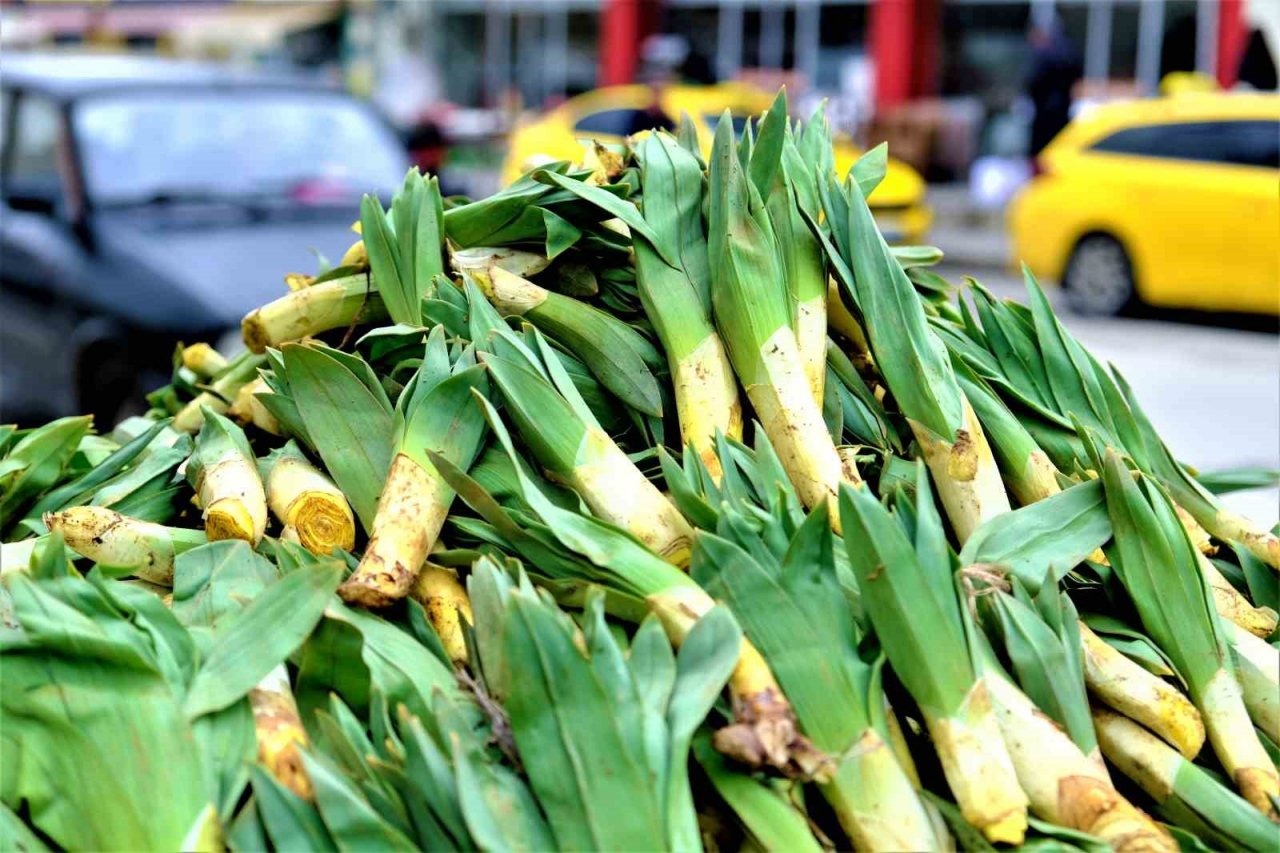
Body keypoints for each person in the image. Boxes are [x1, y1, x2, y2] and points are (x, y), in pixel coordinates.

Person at [1025, 18, 1082, 156]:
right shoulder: (1069, 53)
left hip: (1046, 112)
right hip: (1062, 109)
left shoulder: (1044, 56)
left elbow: (1032, 81)